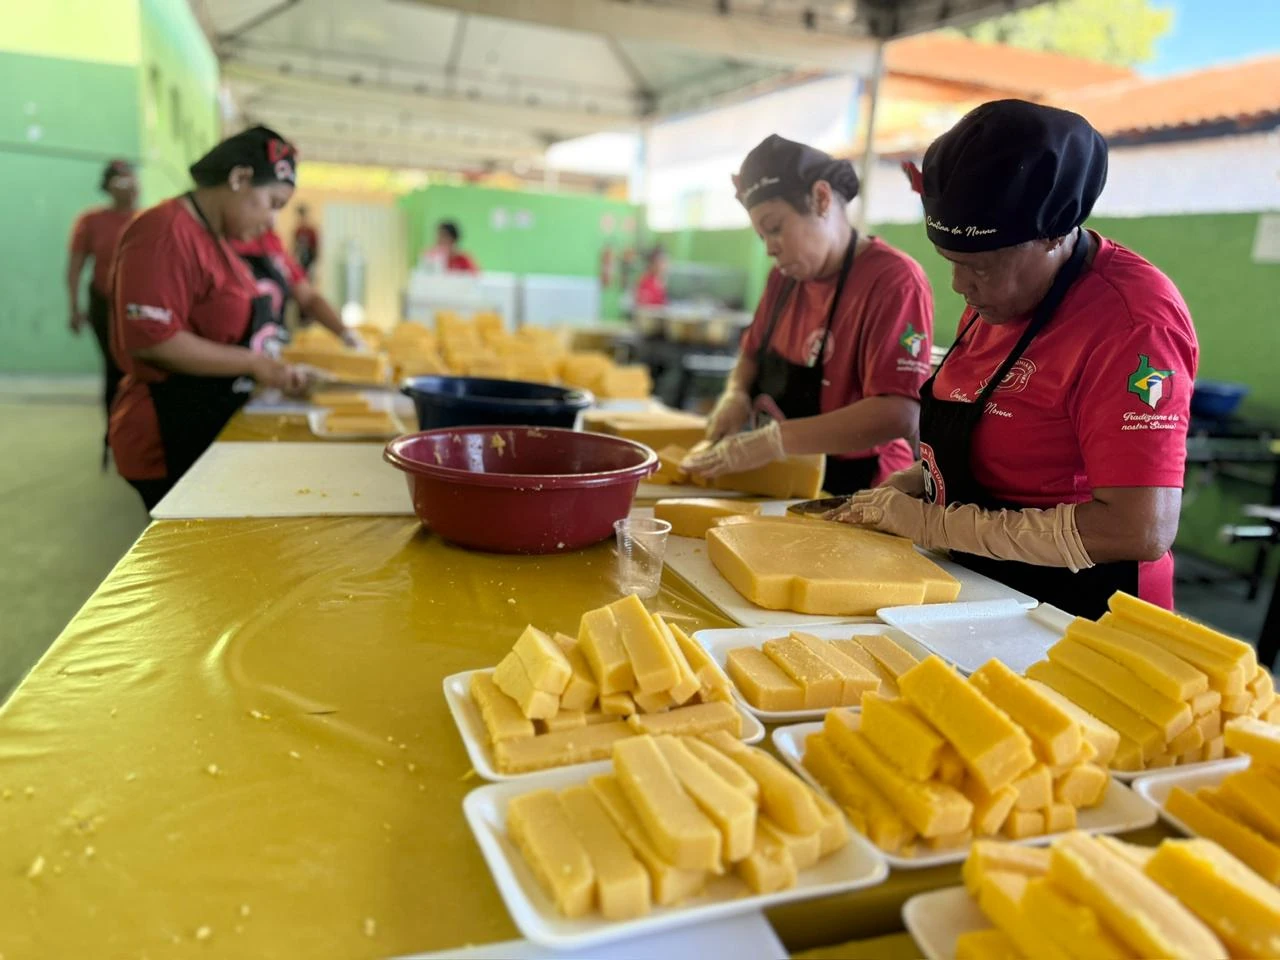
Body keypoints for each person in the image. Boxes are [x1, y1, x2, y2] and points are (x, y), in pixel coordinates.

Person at [832, 100, 1198, 616]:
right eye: (952, 262)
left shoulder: (1134, 324)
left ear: (1056, 233)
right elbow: (1003, 441)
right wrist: (916, 482)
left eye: (980, 267)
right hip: (984, 589)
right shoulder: (1001, 296)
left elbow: (1138, 529)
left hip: (1080, 612)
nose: (959, 285)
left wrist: (937, 525)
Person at [682, 135, 934, 495]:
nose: (769, 248)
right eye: (761, 236)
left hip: (859, 491)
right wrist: (735, 394)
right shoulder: (783, 279)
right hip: (783, 482)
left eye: (774, 228)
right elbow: (751, 354)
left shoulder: (894, 281)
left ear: (821, 199)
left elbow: (899, 414)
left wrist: (774, 441)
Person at [109, 125, 311, 510]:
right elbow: (155, 341)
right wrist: (253, 363)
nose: (272, 221)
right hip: (168, 428)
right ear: (239, 179)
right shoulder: (164, 232)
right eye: (272, 202)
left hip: (206, 417)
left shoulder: (215, 238)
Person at [67, 158, 138, 453]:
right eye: (120, 180)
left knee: (138, 368)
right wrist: (74, 308)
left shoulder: (146, 219)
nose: (129, 186)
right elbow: (75, 266)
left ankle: (136, 432)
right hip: (103, 303)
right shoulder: (91, 220)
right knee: (114, 367)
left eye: (132, 178)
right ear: (107, 186)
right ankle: (114, 435)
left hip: (136, 305)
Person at [230, 228, 357, 345]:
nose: (271, 219)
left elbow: (308, 298)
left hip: (269, 349)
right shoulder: (223, 246)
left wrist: (346, 334)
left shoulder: (270, 241)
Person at [292, 204, 319, 277]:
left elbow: (315, 246)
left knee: (309, 275)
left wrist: (315, 261)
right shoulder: (298, 230)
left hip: (310, 257)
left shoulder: (311, 230)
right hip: (300, 256)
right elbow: (295, 245)